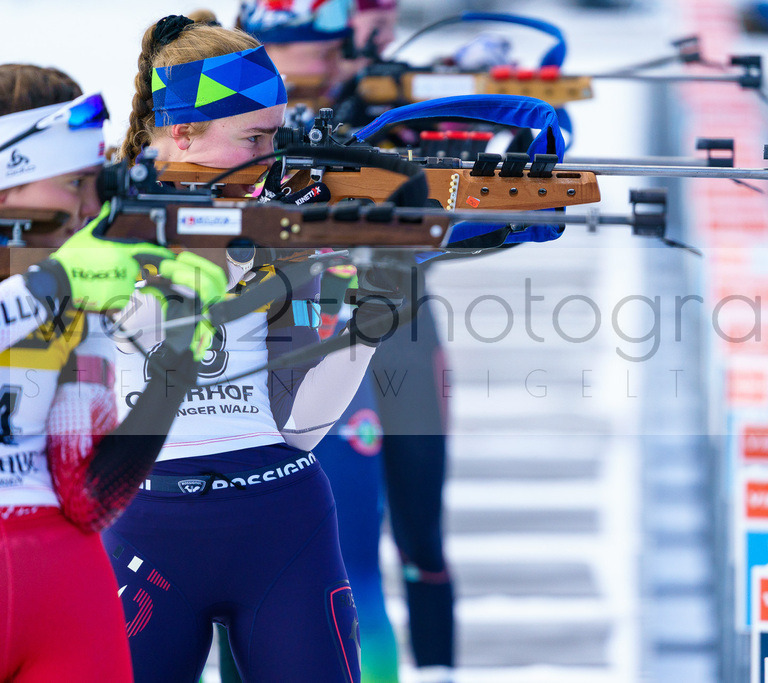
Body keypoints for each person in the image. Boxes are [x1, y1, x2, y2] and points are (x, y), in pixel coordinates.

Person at [101, 14, 391, 682]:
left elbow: (300, 426)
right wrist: (251, 244)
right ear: (183, 134)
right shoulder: (111, 218)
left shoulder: (272, 222)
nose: (273, 154)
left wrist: (366, 307)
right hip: (148, 524)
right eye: (255, 138)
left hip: (284, 517)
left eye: (277, 135)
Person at [240, 4, 458, 681]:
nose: (317, 63)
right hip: (292, 335)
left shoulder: (382, 97)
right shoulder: (240, 120)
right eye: (299, 48)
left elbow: (448, 211)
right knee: (283, 559)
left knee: (419, 536)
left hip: (396, 332)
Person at [0, 64, 225, 682]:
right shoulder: (57, 283)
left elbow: (90, 495)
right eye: (74, 183)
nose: (90, 207)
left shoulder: (70, 293)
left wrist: (176, 362)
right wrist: (53, 283)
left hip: (63, 582)